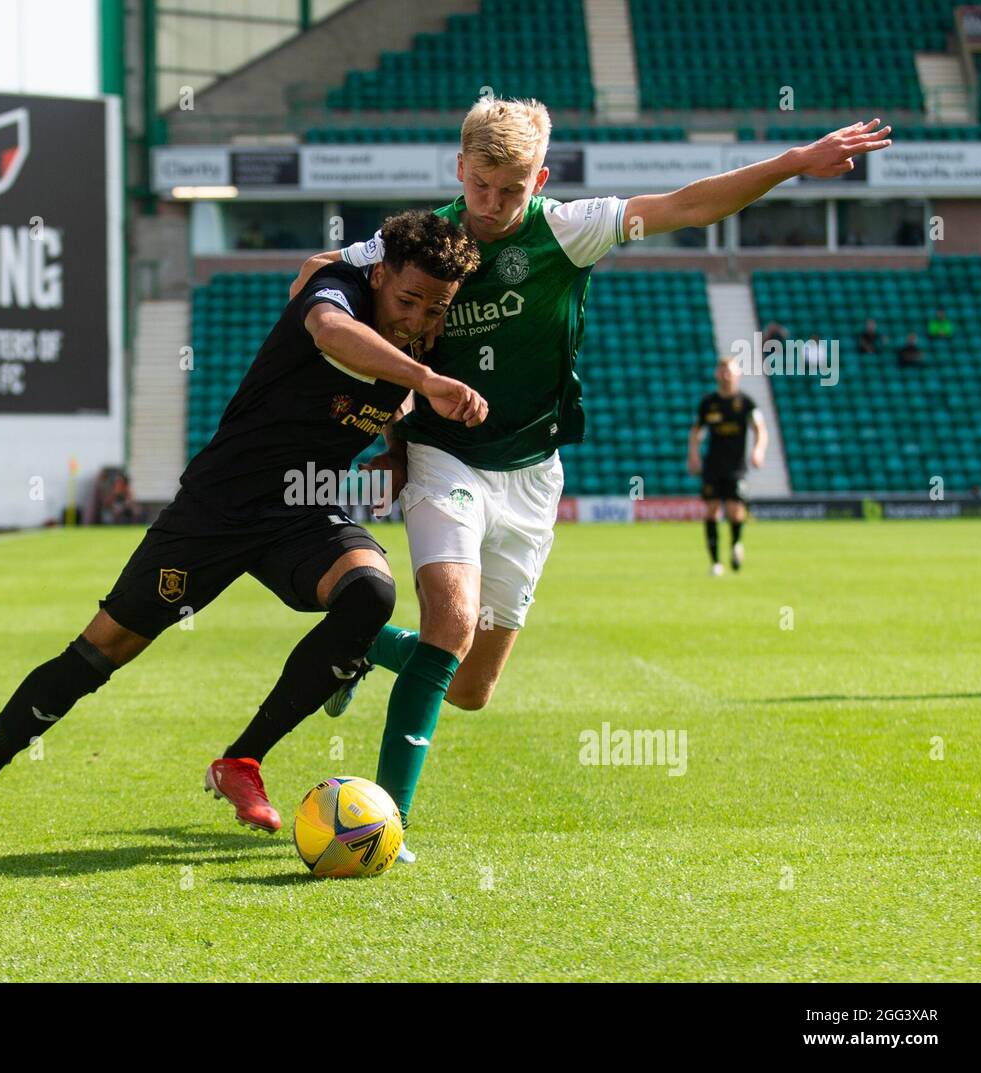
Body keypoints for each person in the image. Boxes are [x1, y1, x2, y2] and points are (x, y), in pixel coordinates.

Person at [286, 99, 890, 861]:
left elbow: (687, 204)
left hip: (535, 474)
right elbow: (319, 276)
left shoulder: (567, 229)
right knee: (451, 625)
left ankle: (366, 644)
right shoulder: (419, 241)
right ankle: (385, 827)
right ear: (460, 171)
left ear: (538, 180)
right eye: (481, 188)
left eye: (512, 191)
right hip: (446, 457)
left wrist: (794, 162)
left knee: (470, 686)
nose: (495, 208)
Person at [0, 211, 486, 852]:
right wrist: (428, 379)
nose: (419, 321)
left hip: (304, 506)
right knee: (101, 652)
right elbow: (333, 335)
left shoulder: (422, 335)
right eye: (409, 301)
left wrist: (398, 448)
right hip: (218, 508)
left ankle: (241, 762)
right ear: (379, 274)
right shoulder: (339, 293)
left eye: (436, 309)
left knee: (370, 595)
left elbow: (396, 396)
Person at [688, 357, 767, 575]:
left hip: (736, 467)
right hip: (713, 466)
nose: (725, 375)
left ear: (737, 374)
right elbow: (696, 431)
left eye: (729, 371)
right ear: (716, 374)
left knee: (735, 511)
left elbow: (760, 429)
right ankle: (715, 562)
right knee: (712, 510)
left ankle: (735, 544)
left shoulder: (746, 403)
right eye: (722, 371)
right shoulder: (708, 403)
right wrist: (693, 454)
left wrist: (758, 450)